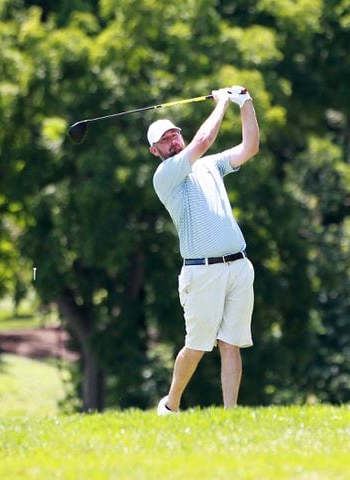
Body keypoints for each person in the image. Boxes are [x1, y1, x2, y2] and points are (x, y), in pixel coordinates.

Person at [148, 86, 259, 415]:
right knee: (197, 345)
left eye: (174, 135)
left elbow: (250, 147)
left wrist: (245, 102)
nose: (172, 141)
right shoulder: (165, 175)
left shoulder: (211, 166)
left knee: (231, 343)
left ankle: (230, 416)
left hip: (237, 265)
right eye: (164, 140)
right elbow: (203, 141)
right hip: (201, 270)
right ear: (155, 151)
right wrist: (223, 102)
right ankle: (171, 404)